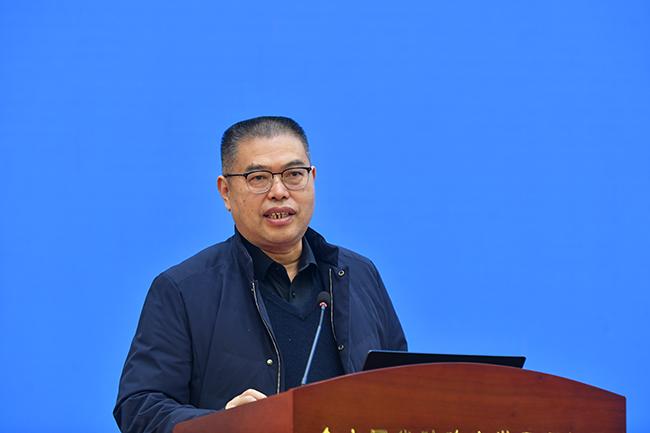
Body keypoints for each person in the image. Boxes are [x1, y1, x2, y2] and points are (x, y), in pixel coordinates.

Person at [113, 116, 407, 433]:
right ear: (226, 192)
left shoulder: (358, 274)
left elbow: (407, 386)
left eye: (294, 174)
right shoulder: (183, 290)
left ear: (312, 178)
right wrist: (221, 424)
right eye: (258, 178)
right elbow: (139, 407)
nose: (279, 192)